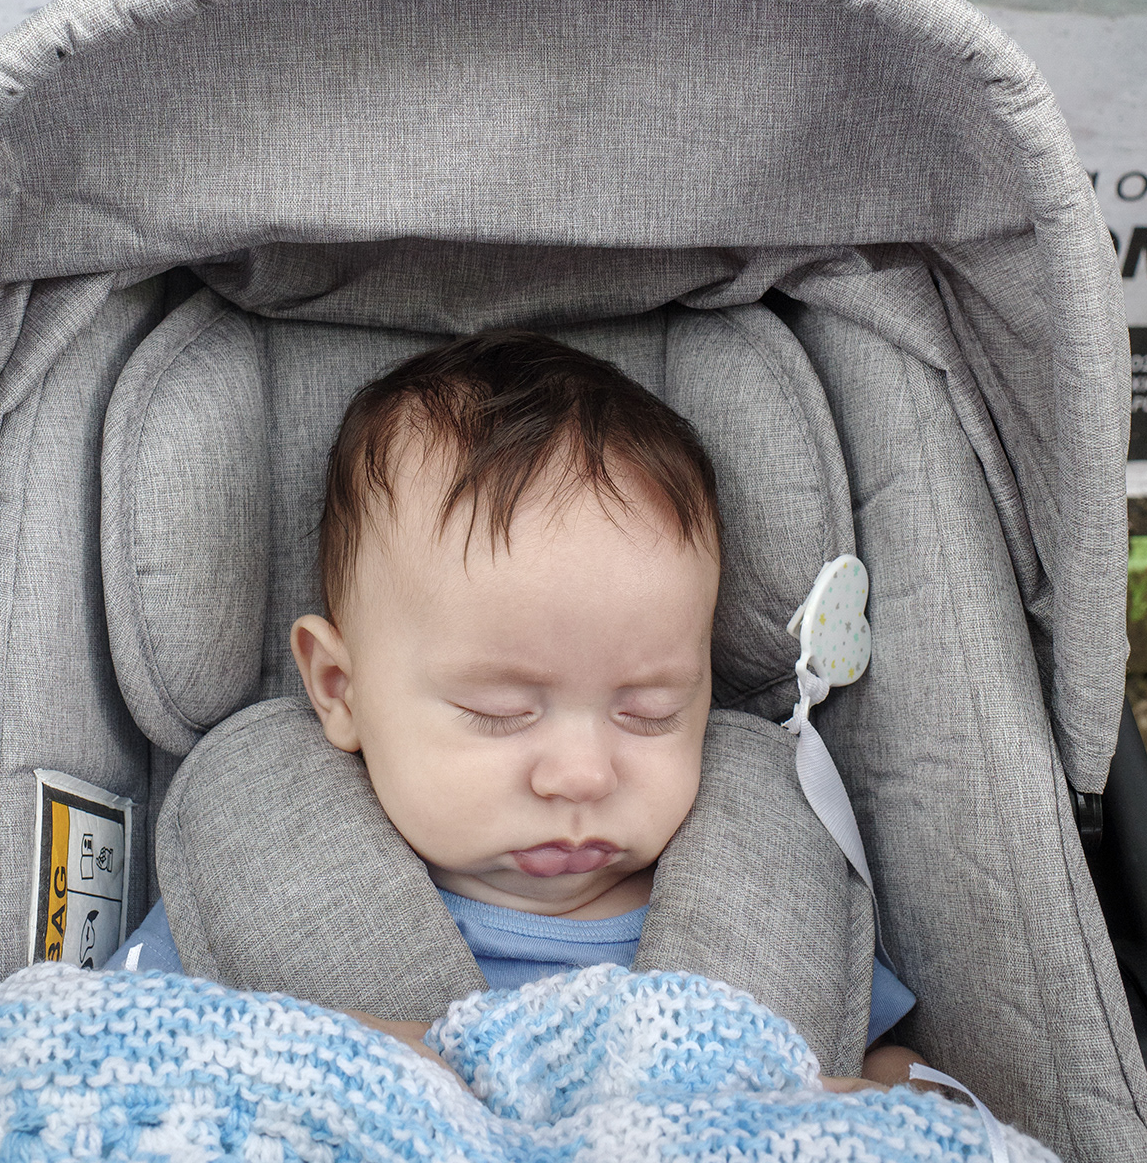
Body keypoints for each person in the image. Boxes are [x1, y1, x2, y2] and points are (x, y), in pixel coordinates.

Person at [114, 330, 918, 1090]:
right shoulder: (250, 891)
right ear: (338, 687)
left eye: (648, 712)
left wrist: (889, 1100)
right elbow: (111, 1056)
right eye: (498, 710)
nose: (580, 776)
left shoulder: (768, 900)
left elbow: (897, 1073)